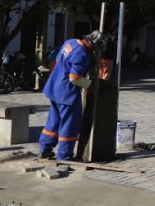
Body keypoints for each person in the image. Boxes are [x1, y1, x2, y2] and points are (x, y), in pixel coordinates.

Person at [38, 30, 108, 161]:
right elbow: (74, 78)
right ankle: (64, 155)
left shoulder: (70, 42)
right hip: (67, 93)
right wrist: (90, 86)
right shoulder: (82, 54)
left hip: (54, 87)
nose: (95, 51)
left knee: (53, 121)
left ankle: (45, 149)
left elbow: (58, 60)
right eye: (95, 48)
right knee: (69, 124)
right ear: (92, 44)